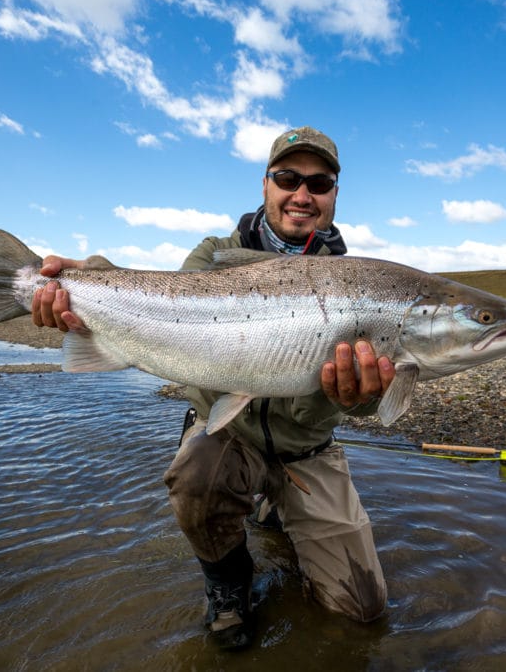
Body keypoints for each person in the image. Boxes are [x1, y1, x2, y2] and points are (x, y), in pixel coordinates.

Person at [32, 126, 395, 649]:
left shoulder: (356, 283)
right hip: (230, 434)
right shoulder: (215, 254)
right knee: (196, 474)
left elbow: (365, 412)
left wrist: (363, 396)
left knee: (363, 614)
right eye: (288, 178)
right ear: (266, 184)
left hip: (307, 449)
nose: (302, 194)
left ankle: (273, 504)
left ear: (334, 194)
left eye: (319, 183)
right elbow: (161, 311)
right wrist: (85, 297)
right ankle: (227, 582)